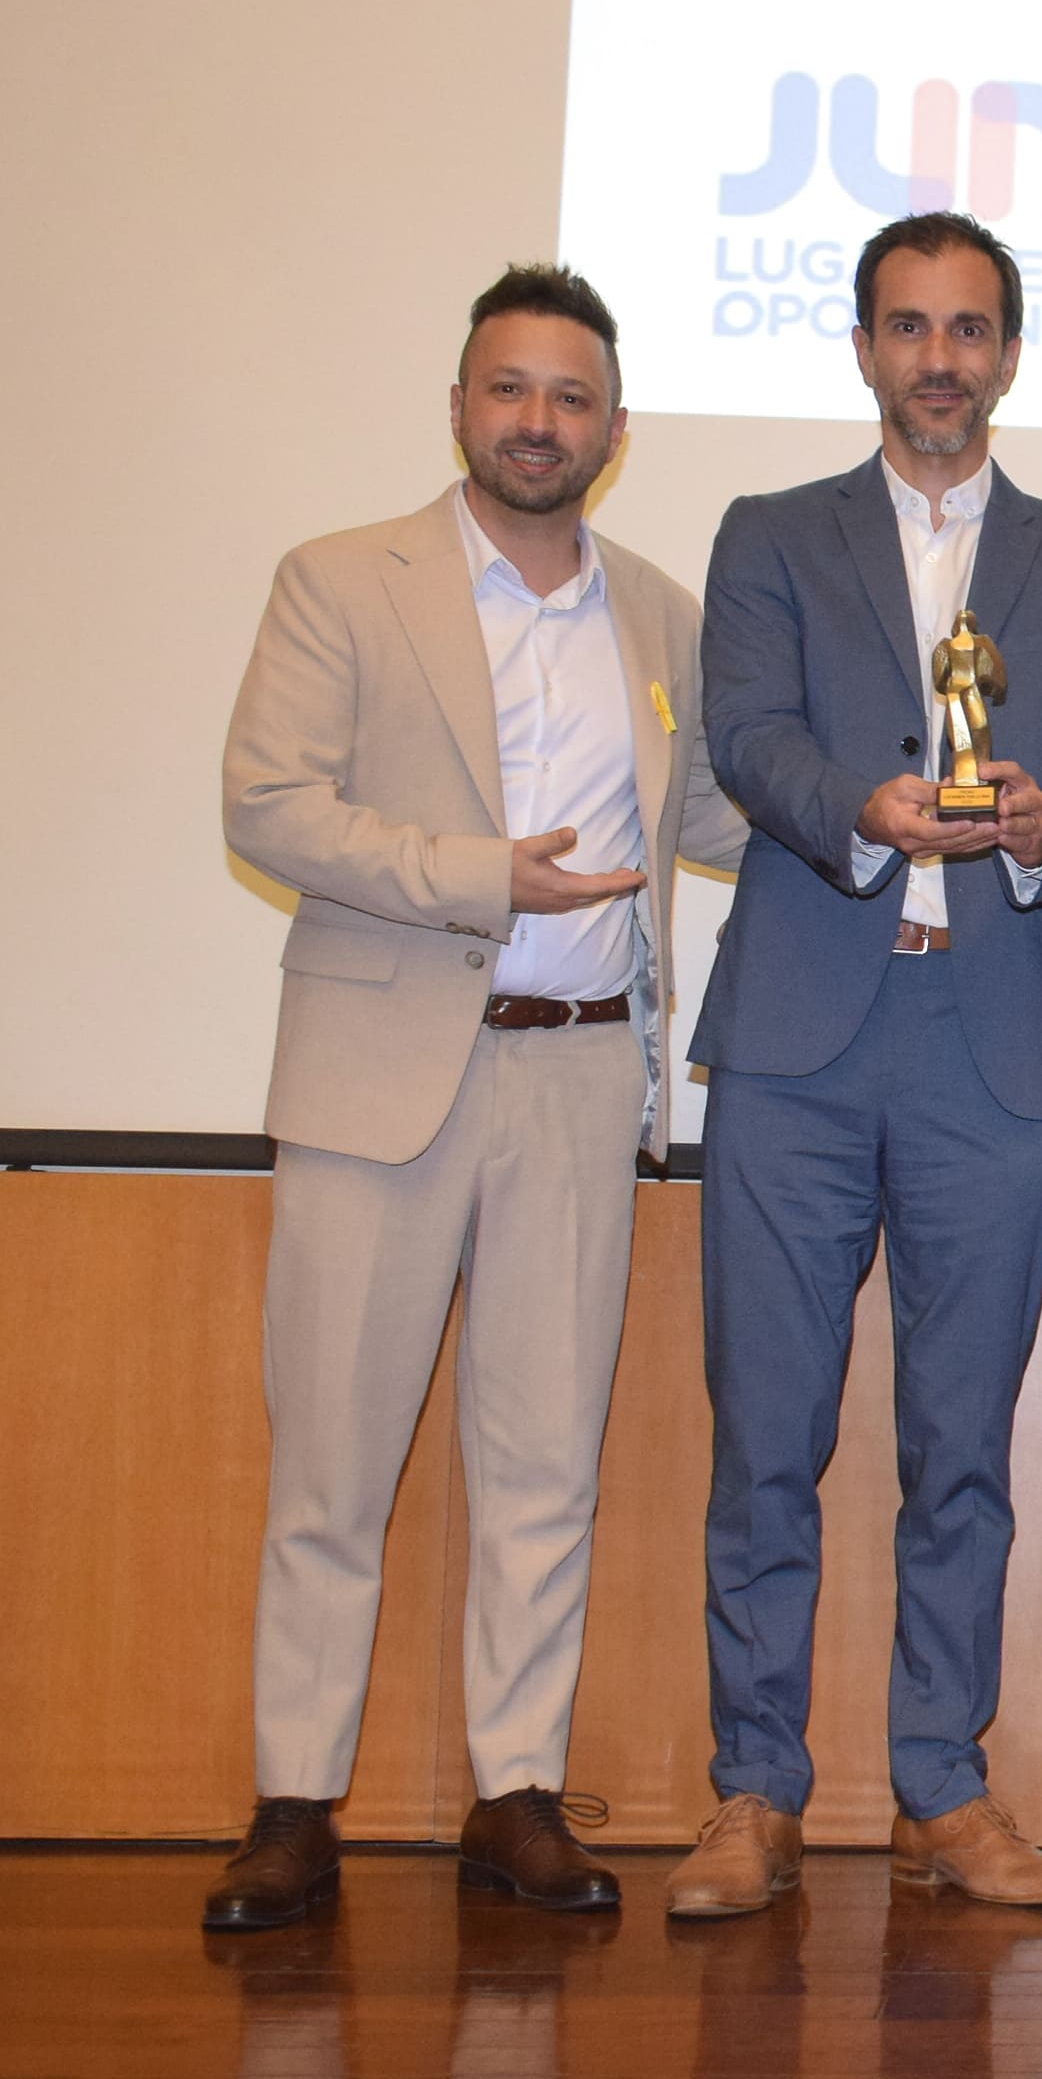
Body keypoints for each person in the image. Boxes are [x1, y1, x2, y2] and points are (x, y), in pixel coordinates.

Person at [211, 264, 747, 1931]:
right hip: (380, 1079)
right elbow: (269, 804)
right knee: (333, 1465)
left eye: (571, 397)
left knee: (542, 1465)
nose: (538, 421)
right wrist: (477, 875)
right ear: (459, 406)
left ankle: (514, 1793)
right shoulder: (341, 580)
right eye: (510, 389)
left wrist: (894, 808)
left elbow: (720, 813)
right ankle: (294, 1805)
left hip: (581, 1075)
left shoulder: (658, 614)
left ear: (615, 430)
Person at [670, 212, 1042, 1918]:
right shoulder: (771, 535)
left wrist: (1039, 829)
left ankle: (943, 1792)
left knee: (961, 1451)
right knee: (766, 1440)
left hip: (988, 1054)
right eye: (907, 327)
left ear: (1008, 354)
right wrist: (860, 812)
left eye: (967, 330)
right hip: (800, 1048)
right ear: (865, 347)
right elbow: (746, 736)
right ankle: (754, 1792)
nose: (938, 359)